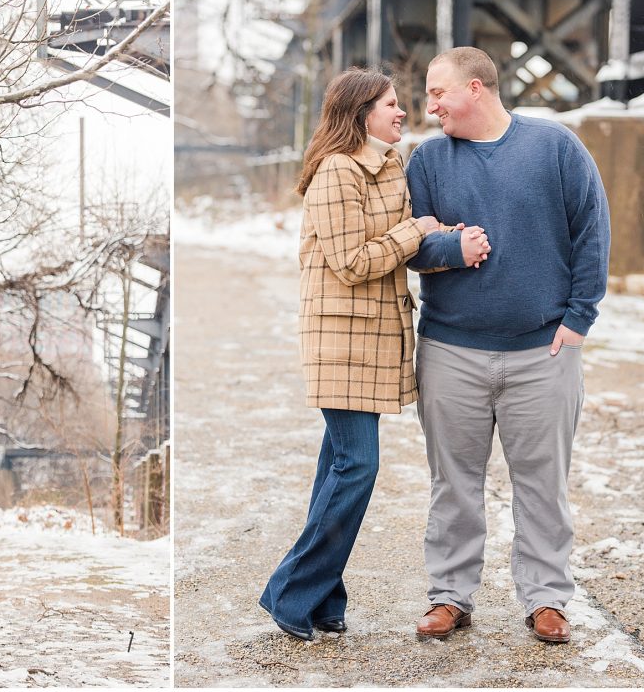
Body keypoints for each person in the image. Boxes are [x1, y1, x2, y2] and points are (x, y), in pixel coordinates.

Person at [258, 67, 491, 641]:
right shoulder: (339, 171)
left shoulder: (388, 166)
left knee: (337, 466)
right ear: (361, 112)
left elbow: (403, 249)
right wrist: (416, 231)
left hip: (371, 337)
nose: (402, 111)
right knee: (358, 466)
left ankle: (322, 599)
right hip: (342, 339)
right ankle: (289, 592)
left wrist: (449, 245)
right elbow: (353, 262)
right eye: (390, 103)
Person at [406, 46, 610, 643]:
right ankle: (449, 597)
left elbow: (591, 232)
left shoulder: (556, 147)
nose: (430, 103)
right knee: (454, 483)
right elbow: (413, 246)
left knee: (543, 482)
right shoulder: (428, 161)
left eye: (438, 91)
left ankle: (546, 600)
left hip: (542, 351)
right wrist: (452, 248)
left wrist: (579, 317)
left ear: (477, 88)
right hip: (450, 350)